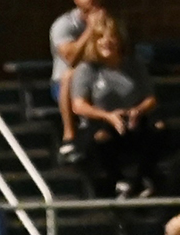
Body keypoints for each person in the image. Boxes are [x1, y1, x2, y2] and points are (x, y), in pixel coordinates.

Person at [68, 20, 163, 197]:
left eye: (111, 36)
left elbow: (151, 99)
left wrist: (138, 110)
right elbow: (78, 105)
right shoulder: (87, 69)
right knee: (101, 137)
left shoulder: (134, 66)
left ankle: (142, 180)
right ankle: (117, 181)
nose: (107, 41)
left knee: (157, 130)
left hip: (132, 117)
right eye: (101, 38)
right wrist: (108, 116)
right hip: (100, 120)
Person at [48, 0, 108, 148]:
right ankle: (70, 135)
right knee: (70, 75)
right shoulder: (64, 25)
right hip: (65, 82)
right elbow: (71, 58)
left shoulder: (108, 21)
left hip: (100, 76)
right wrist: (91, 29)